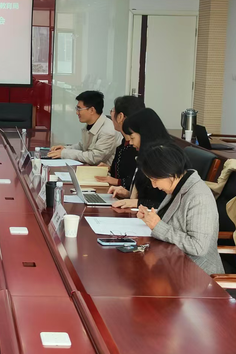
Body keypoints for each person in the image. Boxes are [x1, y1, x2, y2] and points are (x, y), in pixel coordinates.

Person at [136, 142, 224, 275]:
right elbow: (173, 222)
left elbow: (198, 247)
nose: (153, 185)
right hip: (173, 262)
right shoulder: (179, 186)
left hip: (196, 274)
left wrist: (158, 226)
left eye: (154, 180)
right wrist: (149, 218)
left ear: (168, 173)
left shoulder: (198, 197)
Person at [108, 108, 170, 209]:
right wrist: (128, 194)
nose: (131, 143)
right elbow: (146, 195)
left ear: (145, 135)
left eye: (132, 138)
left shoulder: (162, 159)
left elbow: (164, 204)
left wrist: (136, 202)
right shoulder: (145, 155)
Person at [48, 90, 120, 165]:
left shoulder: (108, 131)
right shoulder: (90, 125)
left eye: (79, 109)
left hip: (104, 171)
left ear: (92, 110)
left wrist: (65, 153)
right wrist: (65, 149)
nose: (77, 112)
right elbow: (82, 146)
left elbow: (95, 157)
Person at [96, 95, 145, 188]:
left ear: (120, 116)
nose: (111, 115)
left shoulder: (137, 146)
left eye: (112, 111)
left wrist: (117, 181)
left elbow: (139, 180)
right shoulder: (124, 141)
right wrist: (110, 168)